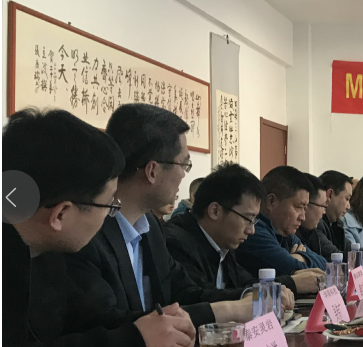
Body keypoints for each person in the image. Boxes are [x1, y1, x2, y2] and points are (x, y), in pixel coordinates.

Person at [3, 109, 195, 347]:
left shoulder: (44, 250)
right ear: (61, 214)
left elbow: (84, 318)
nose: (111, 216)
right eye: (109, 205)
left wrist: (158, 325)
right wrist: (132, 346)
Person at [66, 104, 253, 332]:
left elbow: (185, 293)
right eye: (184, 164)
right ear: (152, 171)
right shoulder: (87, 231)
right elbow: (106, 323)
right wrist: (231, 310)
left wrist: (249, 297)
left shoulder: (151, 227)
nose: (184, 175)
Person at [165, 164, 303, 307]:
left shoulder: (223, 242)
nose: (251, 230)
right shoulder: (175, 242)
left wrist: (280, 287)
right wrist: (259, 294)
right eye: (248, 219)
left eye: (254, 221)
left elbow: (246, 283)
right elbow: (196, 297)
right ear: (215, 211)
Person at [235, 165, 327, 293]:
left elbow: (324, 264)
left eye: (305, 208)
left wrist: (299, 256)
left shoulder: (285, 232)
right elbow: (293, 268)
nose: (303, 217)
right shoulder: (254, 232)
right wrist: (295, 260)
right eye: (298, 207)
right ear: (271, 201)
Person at [319, 170, 353, 254]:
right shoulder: (315, 223)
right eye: (347, 199)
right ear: (329, 195)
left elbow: (350, 250)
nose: (348, 207)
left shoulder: (336, 224)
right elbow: (334, 255)